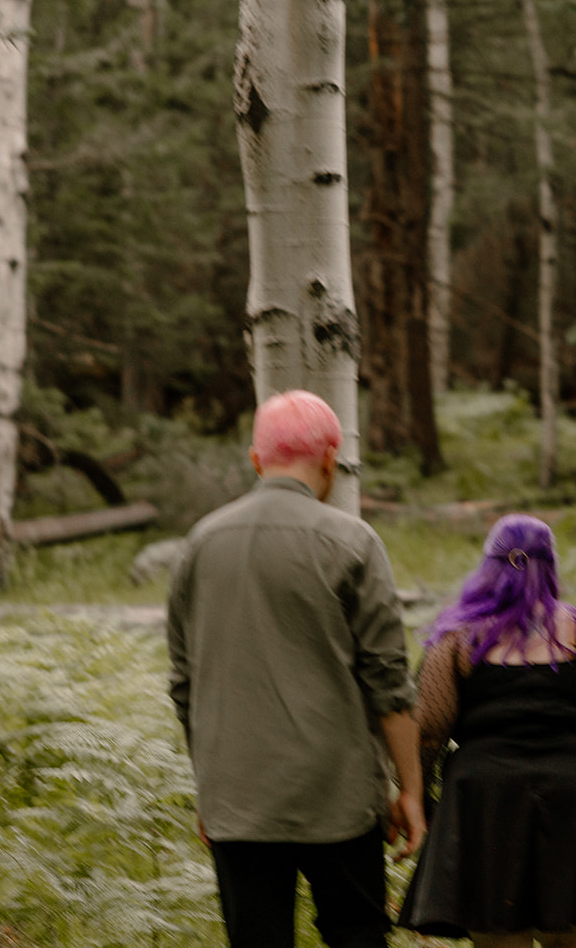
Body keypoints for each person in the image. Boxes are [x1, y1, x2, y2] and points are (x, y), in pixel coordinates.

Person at [166, 390, 425, 948]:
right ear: (330, 459)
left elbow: (184, 685)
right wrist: (410, 790)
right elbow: (389, 683)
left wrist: (211, 787)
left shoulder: (199, 543)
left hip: (237, 798)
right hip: (339, 796)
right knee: (357, 937)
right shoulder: (354, 542)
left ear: (256, 460)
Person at [396, 513, 576, 948]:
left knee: (500, 932)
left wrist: (421, 796)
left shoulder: (458, 638)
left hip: (485, 794)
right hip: (573, 790)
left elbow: (430, 729)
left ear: (488, 566)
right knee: (567, 931)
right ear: (550, 565)